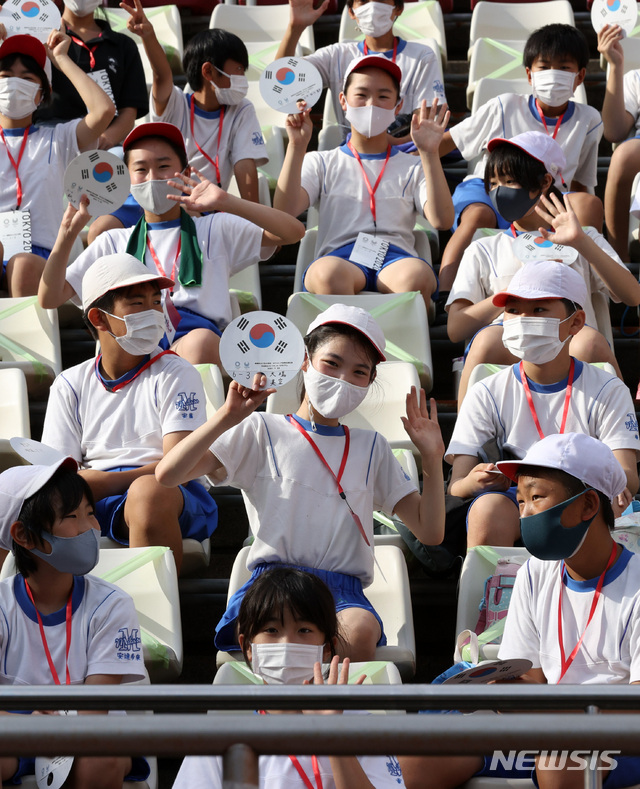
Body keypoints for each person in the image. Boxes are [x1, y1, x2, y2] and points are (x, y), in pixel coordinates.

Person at [157, 303, 446, 660]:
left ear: (370, 383)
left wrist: (432, 457)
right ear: (305, 360)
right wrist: (225, 417)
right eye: (332, 363)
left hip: (343, 592)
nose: (343, 379)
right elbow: (169, 474)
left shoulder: (373, 447)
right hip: (273, 585)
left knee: (359, 631)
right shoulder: (261, 429)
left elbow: (430, 532)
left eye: (360, 372)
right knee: (282, 636)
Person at [401, 433, 640, 789]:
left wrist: (555, 716)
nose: (523, 512)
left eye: (536, 498)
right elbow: (532, 674)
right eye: (522, 500)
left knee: (560, 763)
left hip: (618, 740)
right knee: (417, 759)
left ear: (589, 505)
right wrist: (495, 685)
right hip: (545, 730)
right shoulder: (534, 573)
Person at [38, 122, 304, 366]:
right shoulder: (114, 241)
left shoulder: (214, 228)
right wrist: (66, 236)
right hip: (134, 341)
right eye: (141, 169)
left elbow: (293, 232)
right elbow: (50, 297)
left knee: (200, 344)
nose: (152, 177)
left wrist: (227, 202)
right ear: (127, 179)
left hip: (195, 341)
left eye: (163, 166)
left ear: (185, 173)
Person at [40, 252, 218, 574]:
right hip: (92, 501)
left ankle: (155, 615)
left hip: (172, 493)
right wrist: (85, 487)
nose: (152, 312)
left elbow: (176, 466)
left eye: (155, 301)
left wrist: (106, 482)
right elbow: (57, 477)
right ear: (99, 319)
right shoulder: (69, 384)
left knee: (148, 494)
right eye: (137, 304)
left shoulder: (177, 373)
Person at [445, 259, 639, 550]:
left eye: (538, 310)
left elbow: (628, 477)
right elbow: (457, 484)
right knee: (487, 512)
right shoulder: (487, 390)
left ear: (575, 322)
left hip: (583, 494)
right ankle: (492, 595)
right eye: (512, 310)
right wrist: (475, 482)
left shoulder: (607, 389)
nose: (522, 319)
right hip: (515, 498)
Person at [446, 132, 640, 404]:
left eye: (510, 181)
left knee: (590, 343)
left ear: (544, 182)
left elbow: (633, 296)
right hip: (511, 344)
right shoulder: (484, 247)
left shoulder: (584, 240)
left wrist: (582, 243)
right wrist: (509, 297)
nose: (499, 190)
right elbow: (456, 328)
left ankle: (624, 434)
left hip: (569, 340)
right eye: (493, 183)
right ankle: (461, 445)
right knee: (485, 342)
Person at [173, 566, 407, 788]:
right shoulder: (218, 740)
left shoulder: (364, 728)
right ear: (247, 648)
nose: (287, 644)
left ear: (327, 648)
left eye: (304, 630)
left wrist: (335, 736)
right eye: (271, 631)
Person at [0, 453, 149, 788]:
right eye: (71, 516)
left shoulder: (112, 605)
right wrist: (26, 726)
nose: (91, 528)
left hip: (88, 736)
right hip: (16, 735)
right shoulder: (1, 606)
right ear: (23, 536)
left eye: (90, 513)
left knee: (101, 756)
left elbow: (94, 711)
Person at [273, 56, 453, 310]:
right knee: (327, 276)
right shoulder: (321, 161)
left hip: (396, 259)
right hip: (339, 256)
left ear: (398, 105)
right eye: (362, 95)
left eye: (383, 96)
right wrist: (296, 146)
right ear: (343, 101)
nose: (371, 105)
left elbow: (442, 220)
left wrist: (430, 154)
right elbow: (284, 211)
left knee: (416, 277)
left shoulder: (414, 165)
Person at [437, 23, 603, 295]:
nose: (554, 74)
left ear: (581, 75)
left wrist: (581, 210)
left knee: (588, 205)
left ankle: (585, 287)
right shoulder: (504, 105)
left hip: (545, 198)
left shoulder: (590, 120)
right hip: (491, 189)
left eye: (564, 67)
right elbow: (444, 144)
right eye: (544, 66)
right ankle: (445, 292)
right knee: (477, 216)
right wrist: (403, 146)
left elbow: (583, 183)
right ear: (529, 74)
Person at [88, 1, 267, 242]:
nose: (242, 79)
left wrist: (254, 221)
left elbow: (245, 167)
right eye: (237, 70)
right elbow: (162, 75)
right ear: (209, 72)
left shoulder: (241, 110)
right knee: (99, 231)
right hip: (148, 193)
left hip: (197, 201)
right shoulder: (175, 103)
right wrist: (149, 35)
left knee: (180, 221)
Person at [0, 30, 114, 296]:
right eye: (5, 77)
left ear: (42, 94)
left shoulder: (59, 137)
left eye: (27, 78)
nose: (15, 84)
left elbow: (104, 111)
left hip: (40, 259)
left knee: (23, 265)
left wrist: (61, 58)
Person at [275, 0, 446, 146]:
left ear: (398, 8)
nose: (372, 7)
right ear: (351, 12)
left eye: (380, 0)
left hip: (402, 159)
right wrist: (295, 28)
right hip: (351, 158)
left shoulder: (422, 57)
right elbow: (280, 83)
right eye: (363, 1)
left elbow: (426, 127)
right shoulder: (336, 55)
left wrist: (384, 144)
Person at [34, 0, 148, 147]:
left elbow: (129, 111)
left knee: (118, 159)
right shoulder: (42, 39)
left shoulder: (123, 45)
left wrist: (105, 139)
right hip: (50, 136)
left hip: (104, 141)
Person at [598, 23, 640, 262]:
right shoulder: (636, 79)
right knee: (624, 155)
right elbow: (613, 132)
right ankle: (620, 267)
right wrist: (615, 66)